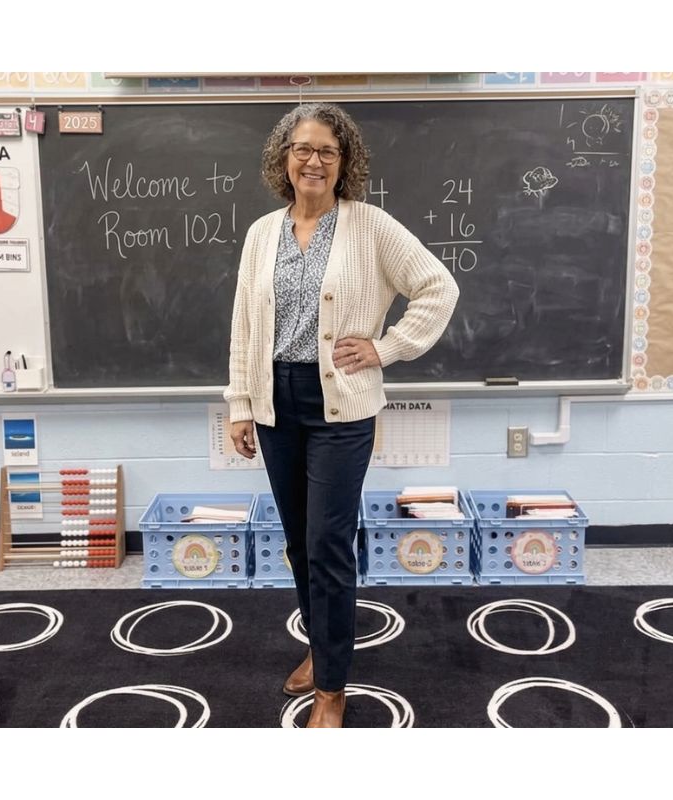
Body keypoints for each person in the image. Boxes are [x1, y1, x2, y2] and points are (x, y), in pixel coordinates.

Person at [224, 102, 459, 728]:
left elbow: (439, 287)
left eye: (328, 150)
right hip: (275, 400)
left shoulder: (370, 225)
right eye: (303, 148)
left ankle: (332, 687)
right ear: (284, 158)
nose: (314, 160)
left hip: (341, 408)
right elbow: (246, 325)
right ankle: (320, 646)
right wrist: (240, 403)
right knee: (300, 543)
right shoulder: (261, 234)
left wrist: (385, 348)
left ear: (344, 161)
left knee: (328, 543)